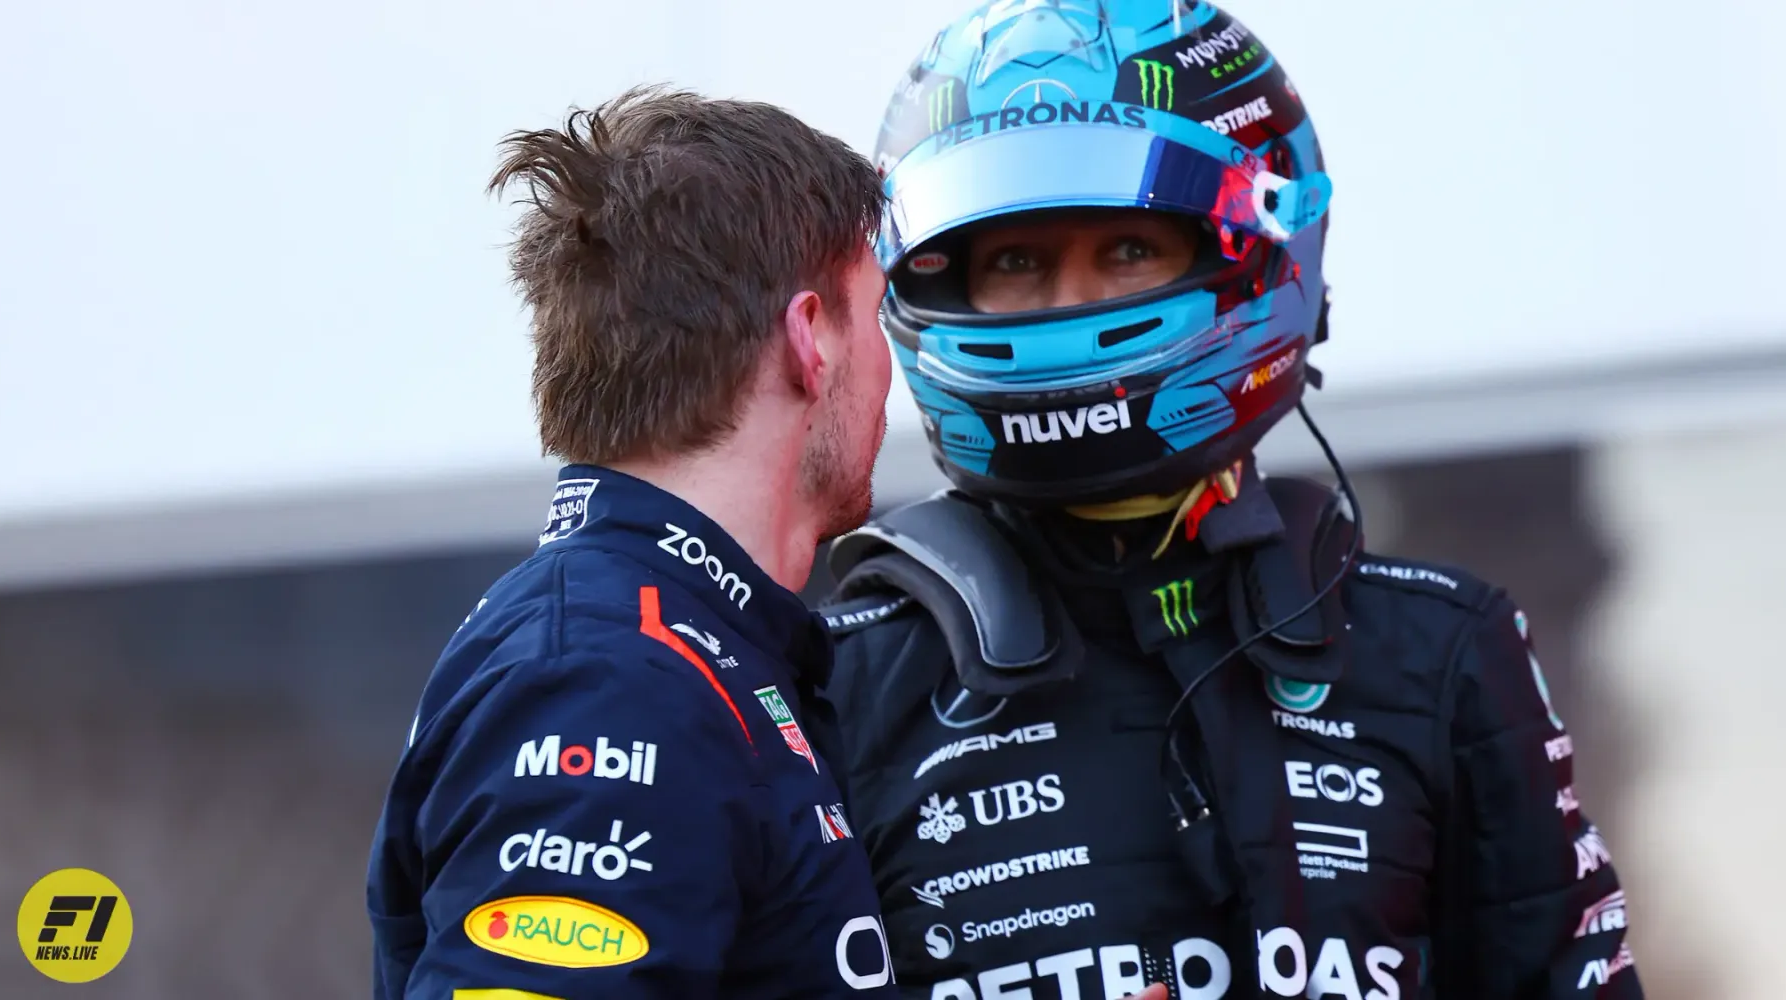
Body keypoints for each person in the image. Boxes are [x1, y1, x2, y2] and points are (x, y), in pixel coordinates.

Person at [815, 2, 1644, 999]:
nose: (1069, 303)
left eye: (1125, 251)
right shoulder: (836, 685)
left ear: (1253, 250)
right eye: (1017, 262)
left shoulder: (1437, 651)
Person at [365, 84, 902, 999]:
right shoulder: (608, 679)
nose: (895, 368)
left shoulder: (677, 645)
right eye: (878, 314)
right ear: (810, 339)